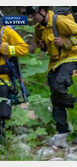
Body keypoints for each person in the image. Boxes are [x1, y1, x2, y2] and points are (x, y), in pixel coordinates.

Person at [25, 6, 77, 147]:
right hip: (54, 63)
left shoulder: (59, 21)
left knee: (59, 86)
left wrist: (66, 42)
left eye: (33, 15)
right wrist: (42, 45)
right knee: (55, 95)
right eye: (30, 16)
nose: (32, 18)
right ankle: (62, 130)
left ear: (42, 11)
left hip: (71, 58)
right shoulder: (38, 28)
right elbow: (39, 44)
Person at [0, 11, 29, 142]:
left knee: (2, 115)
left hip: (3, 81)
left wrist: (7, 49)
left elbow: (24, 48)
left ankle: (2, 143)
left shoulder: (5, 31)